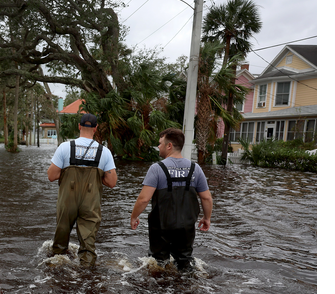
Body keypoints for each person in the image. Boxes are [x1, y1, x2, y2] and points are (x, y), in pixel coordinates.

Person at [130, 128, 213, 271]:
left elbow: (143, 199)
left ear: (169, 146)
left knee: (158, 263)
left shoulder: (156, 169)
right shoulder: (195, 168)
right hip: (186, 226)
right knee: (184, 262)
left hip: (161, 226)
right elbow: (206, 198)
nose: (158, 146)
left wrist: (134, 216)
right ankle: (186, 289)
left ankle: (161, 291)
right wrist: (207, 218)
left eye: (160, 143)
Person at [47, 113, 117, 267]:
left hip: (67, 201)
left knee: (60, 242)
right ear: (96, 128)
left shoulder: (65, 147)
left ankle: (57, 271)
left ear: (79, 126)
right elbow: (112, 182)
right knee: (88, 246)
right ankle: (87, 276)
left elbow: (51, 176)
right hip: (91, 202)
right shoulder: (104, 152)